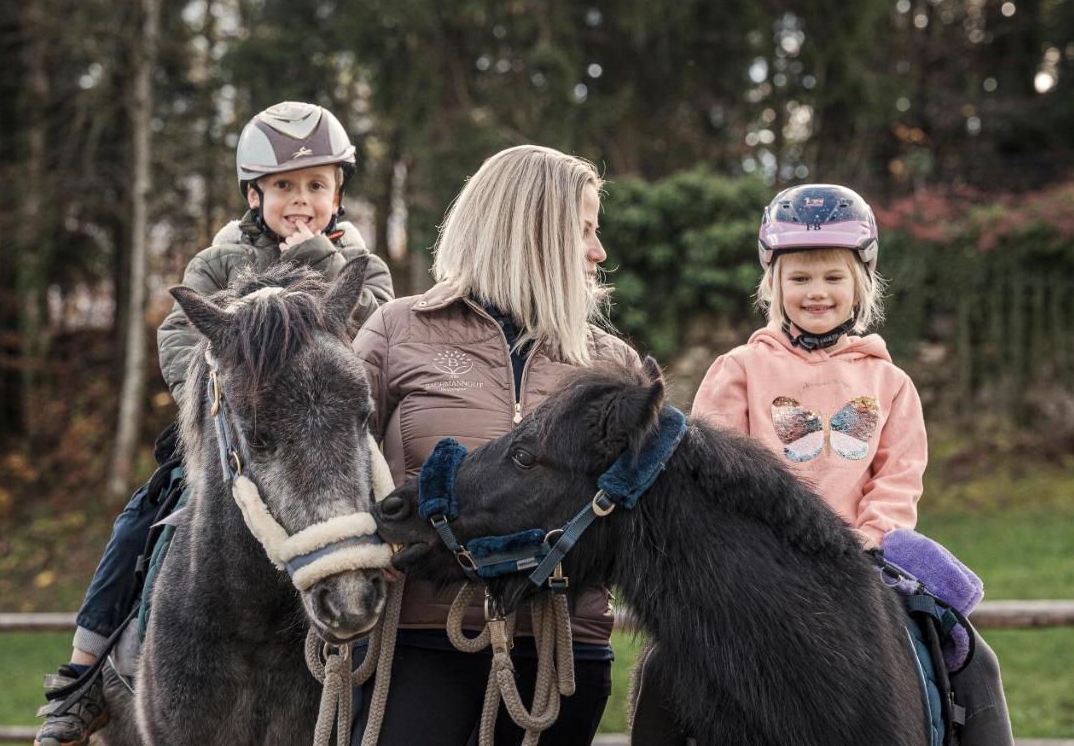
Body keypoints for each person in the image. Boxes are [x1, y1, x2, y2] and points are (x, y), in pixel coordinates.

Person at [34, 101, 395, 746]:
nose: (300, 200)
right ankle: (83, 675)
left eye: (316, 185)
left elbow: (374, 328)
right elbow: (178, 335)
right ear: (255, 194)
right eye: (284, 187)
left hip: (328, 436)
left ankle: (409, 665)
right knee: (141, 522)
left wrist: (318, 257)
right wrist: (206, 398)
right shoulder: (219, 261)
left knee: (393, 515)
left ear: (338, 192)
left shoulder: (359, 267)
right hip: (229, 433)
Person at [682, 183, 1012, 746]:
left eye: (834, 278)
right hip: (761, 566)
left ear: (861, 283)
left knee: (970, 655)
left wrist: (871, 536)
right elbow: (712, 472)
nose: (817, 292)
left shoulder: (890, 383)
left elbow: (898, 474)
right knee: (669, 671)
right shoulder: (736, 370)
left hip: (863, 563)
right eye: (800, 278)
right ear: (773, 285)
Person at [351, 145, 640, 746]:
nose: (599, 252)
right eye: (584, 231)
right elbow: (334, 471)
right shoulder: (397, 330)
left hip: (564, 653)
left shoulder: (613, 363)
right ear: (530, 233)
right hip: (420, 643)